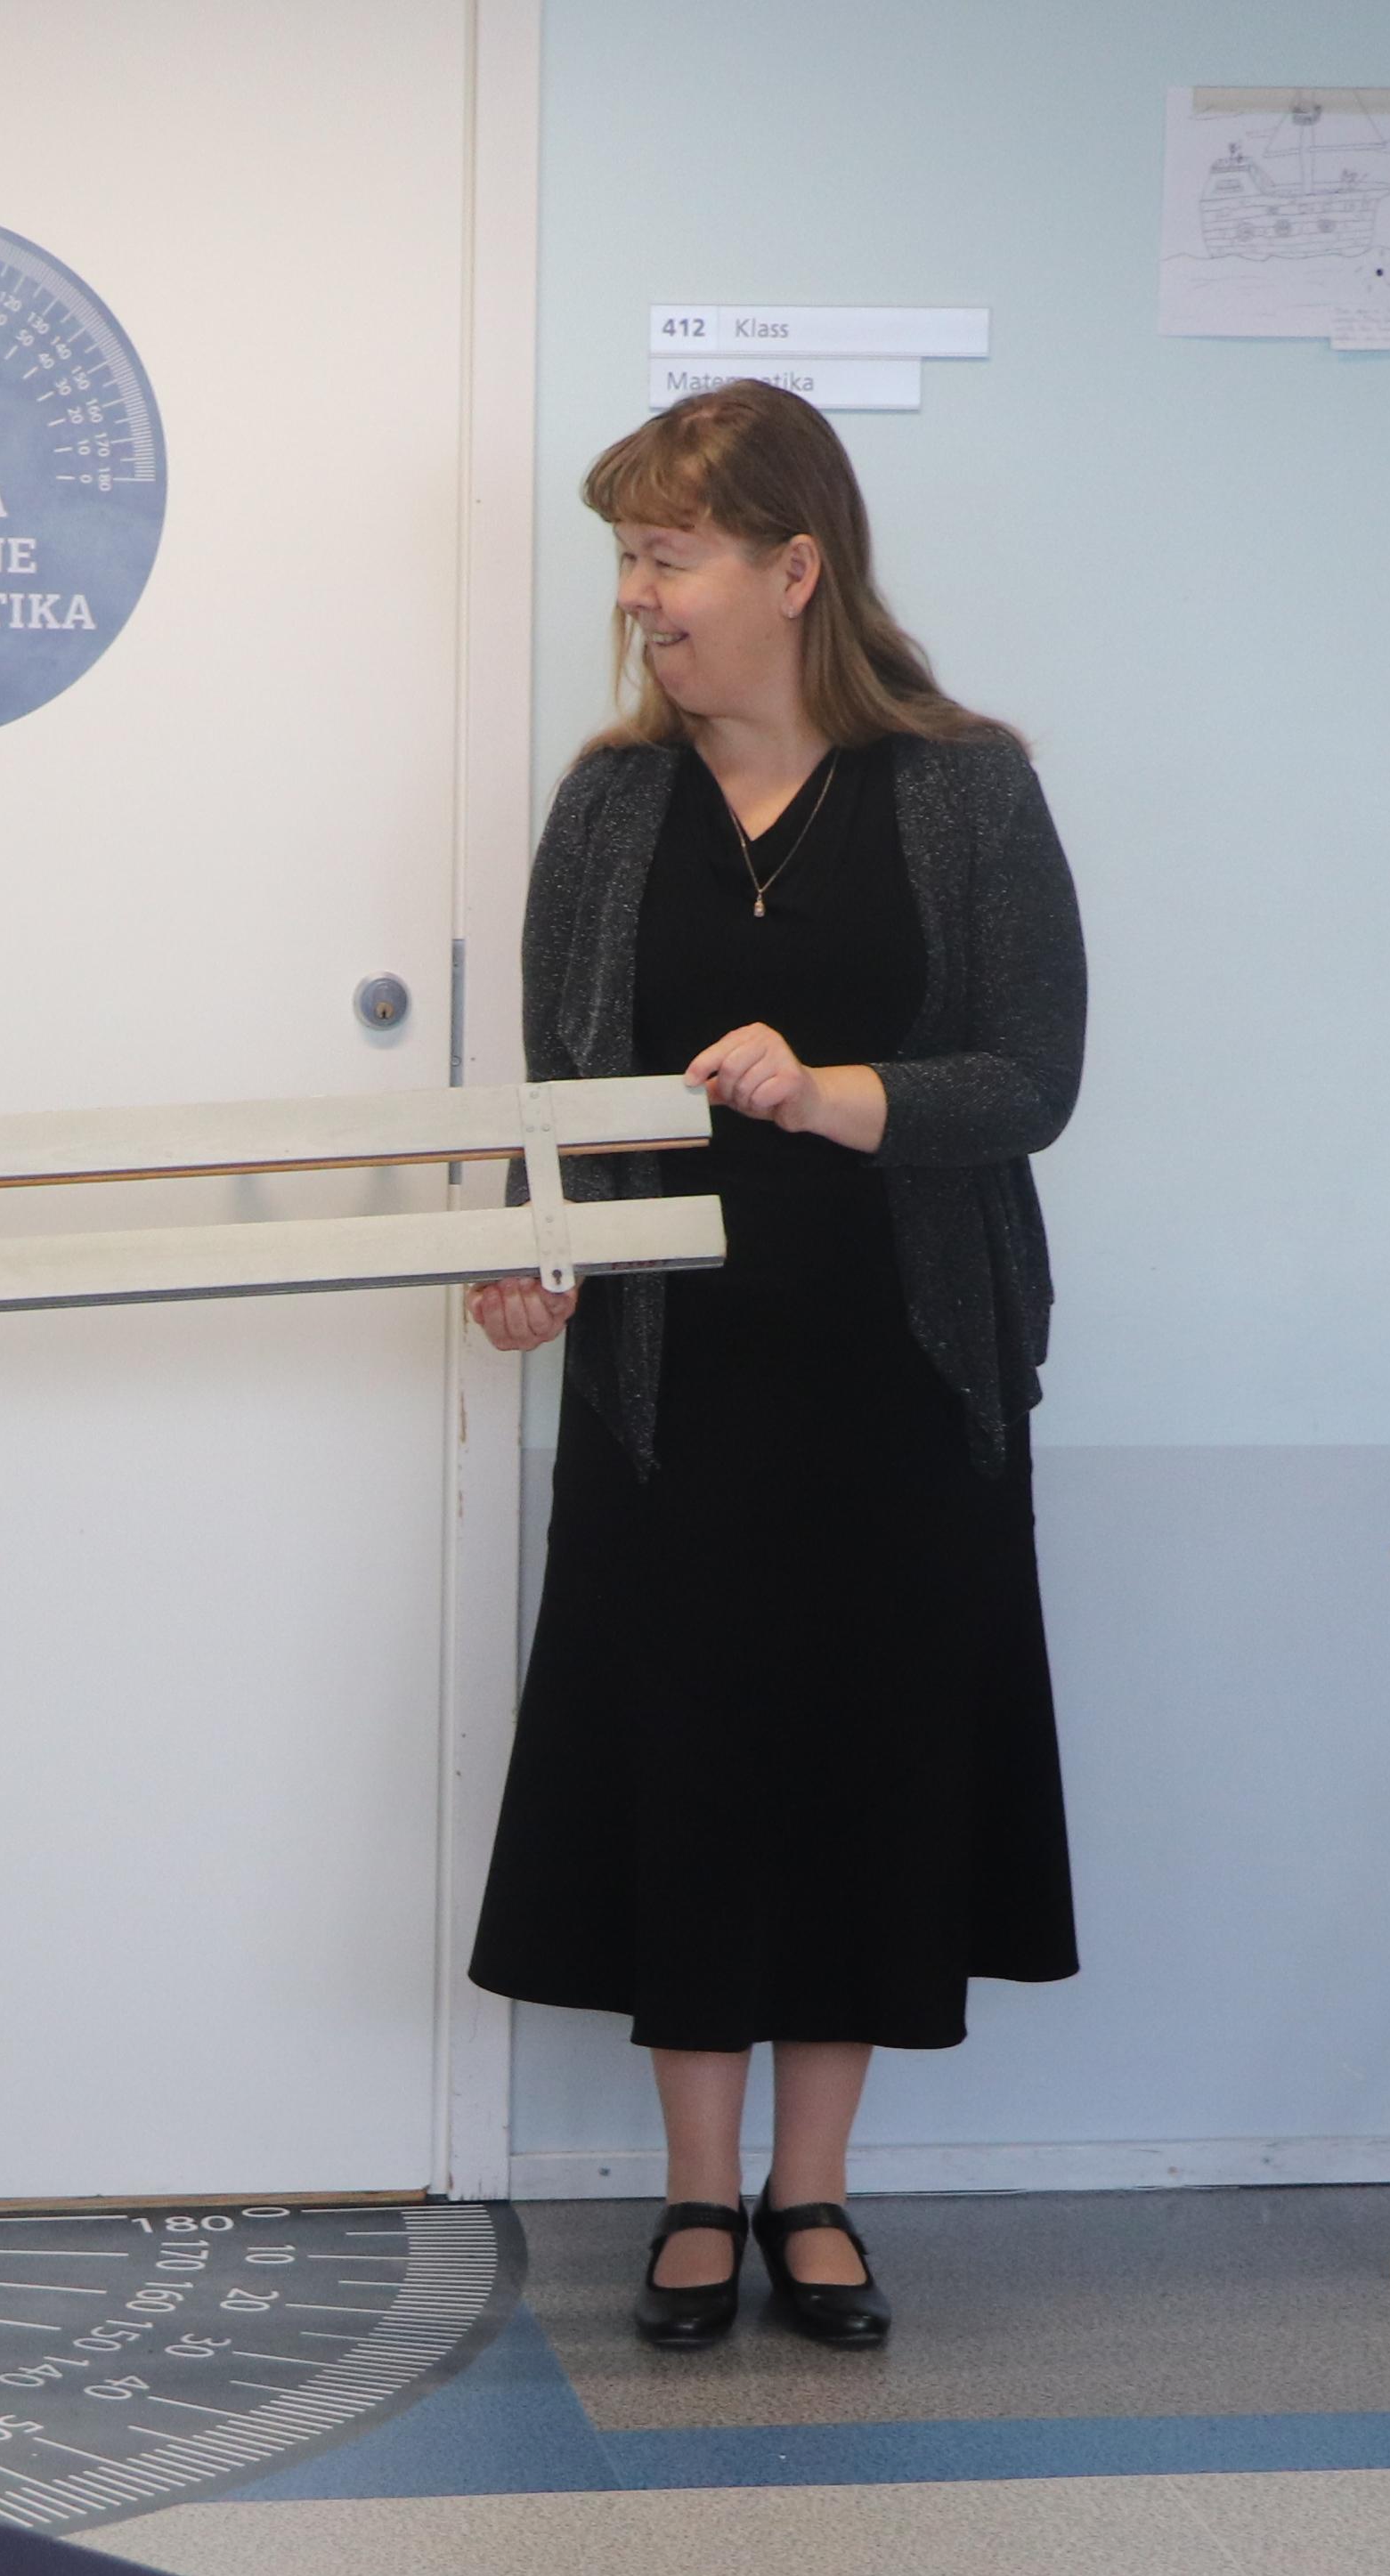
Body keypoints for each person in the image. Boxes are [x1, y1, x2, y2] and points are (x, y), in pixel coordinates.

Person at [463, 380, 1086, 2356]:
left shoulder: (964, 790)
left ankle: (811, 2192)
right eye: (629, 558)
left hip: (906, 1383)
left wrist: (831, 1093)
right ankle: (692, 2192)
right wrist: (524, 1252)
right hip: (674, 1393)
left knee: (866, 1771)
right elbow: (561, 1104)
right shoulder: (608, 806)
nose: (638, 596)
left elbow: (1033, 1079)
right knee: (690, 1767)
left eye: (670, 556)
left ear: (795, 568)